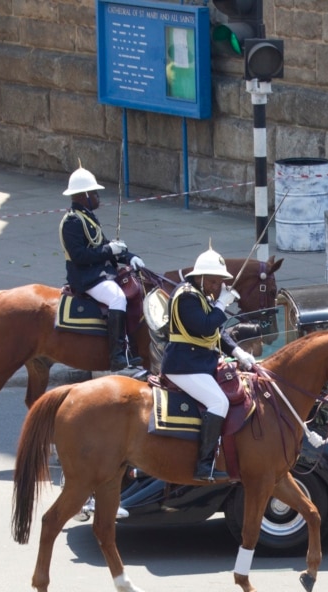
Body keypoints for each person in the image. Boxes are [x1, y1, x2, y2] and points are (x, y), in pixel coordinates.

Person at [161, 246, 256, 481]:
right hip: (183, 365)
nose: (216, 287)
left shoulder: (201, 296)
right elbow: (205, 325)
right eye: (213, 282)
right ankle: (204, 465)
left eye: (219, 282)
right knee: (218, 401)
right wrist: (222, 305)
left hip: (200, 361)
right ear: (200, 277)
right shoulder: (186, 297)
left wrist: (237, 351)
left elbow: (215, 333)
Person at [58, 166, 145, 371]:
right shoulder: (72, 221)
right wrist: (109, 250)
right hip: (85, 276)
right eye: (95, 194)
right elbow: (80, 256)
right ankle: (117, 356)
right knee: (117, 298)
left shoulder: (86, 216)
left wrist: (129, 257)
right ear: (84, 196)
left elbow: (102, 244)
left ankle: (129, 347)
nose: (98, 197)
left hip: (99, 271)